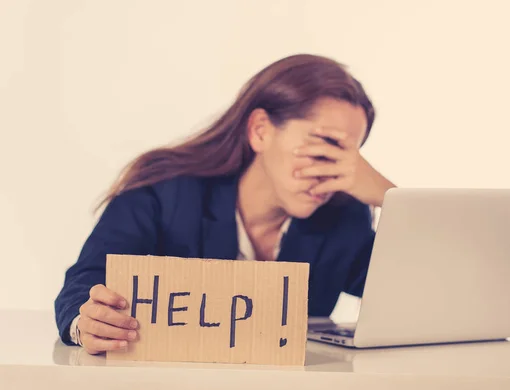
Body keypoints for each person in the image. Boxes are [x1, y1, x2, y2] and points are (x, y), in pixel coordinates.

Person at [54, 53, 396, 355]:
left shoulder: (345, 216)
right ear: (261, 131)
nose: (338, 168)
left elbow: (421, 297)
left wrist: (390, 198)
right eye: (327, 145)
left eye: (352, 154)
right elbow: (87, 281)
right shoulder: (163, 195)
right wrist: (88, 323)